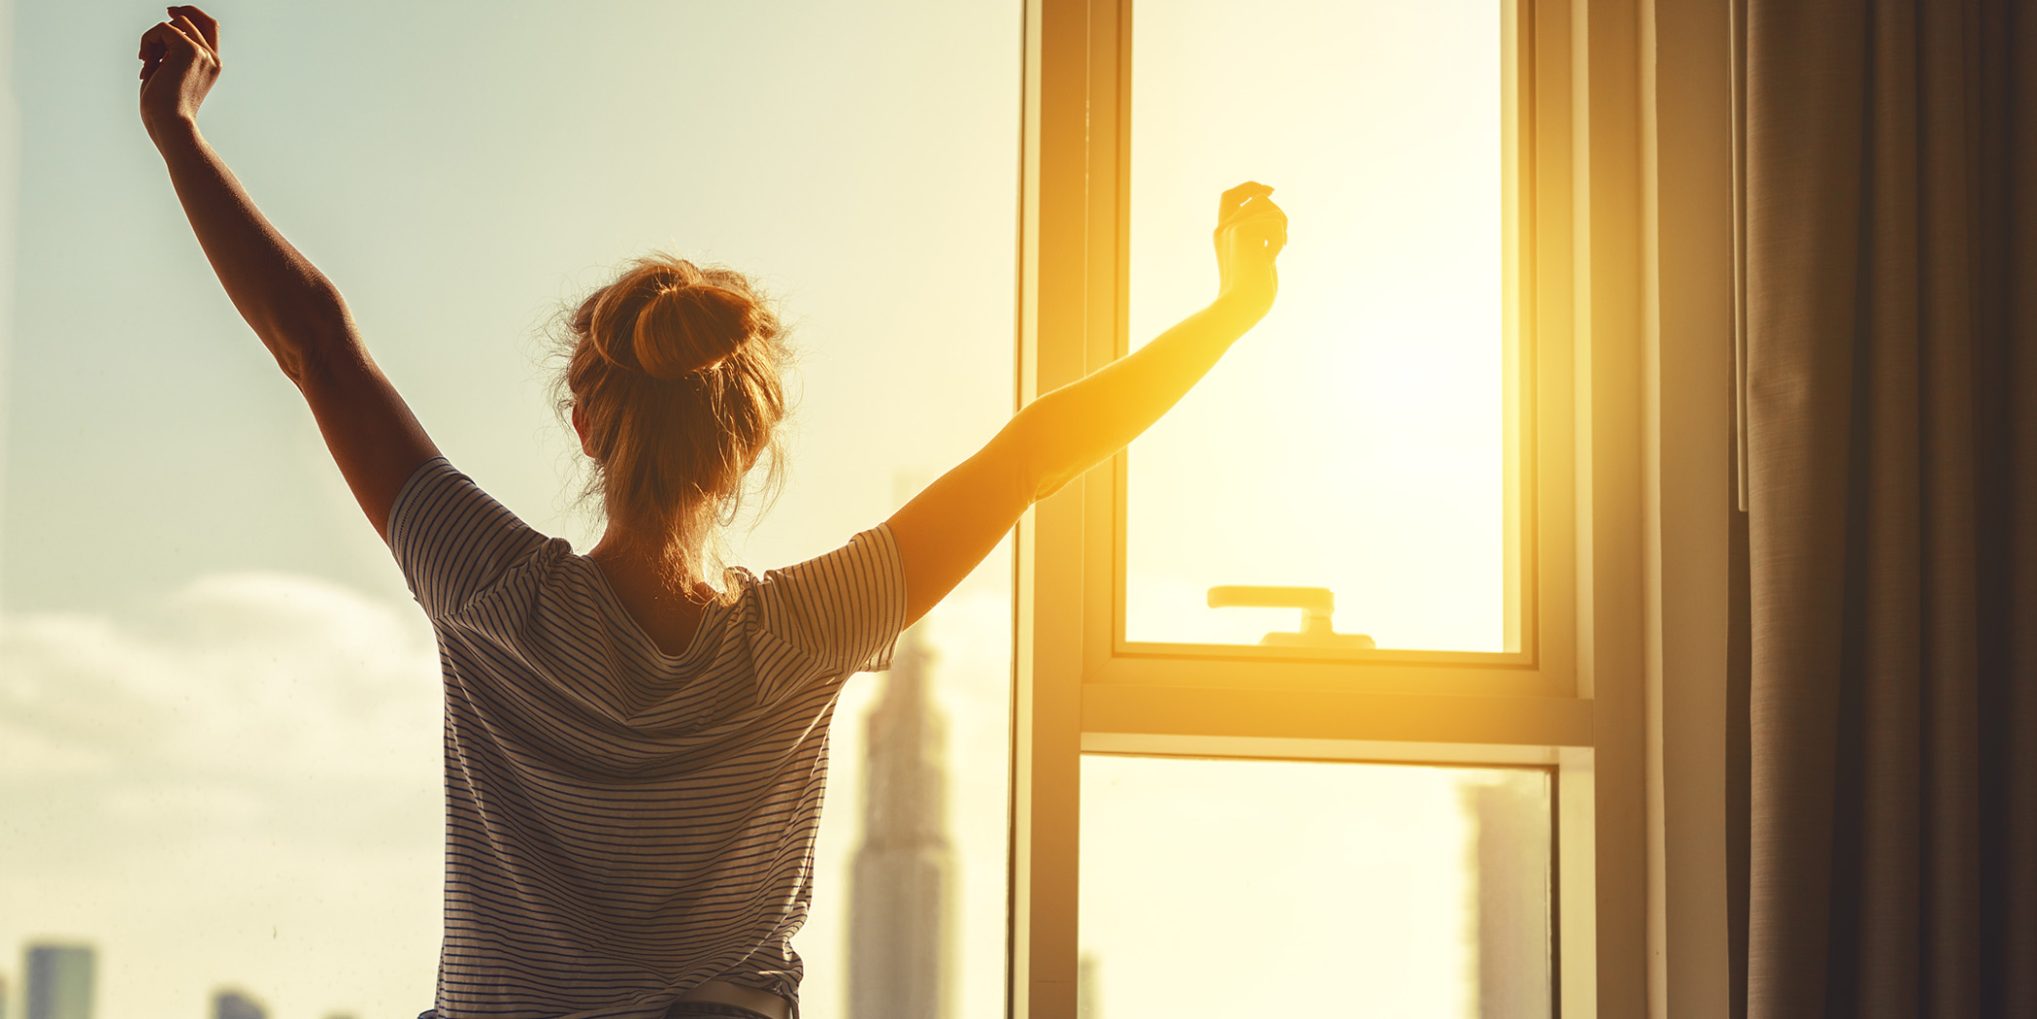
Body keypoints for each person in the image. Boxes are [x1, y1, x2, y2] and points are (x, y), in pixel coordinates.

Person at [135, 7, 1287, 1018]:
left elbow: (315, 345)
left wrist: (179, 134)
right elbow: (1037, 450)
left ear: (586, 426)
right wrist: (1231, 312)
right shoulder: (806, 630)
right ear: (747, 448)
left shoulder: (492, 592)